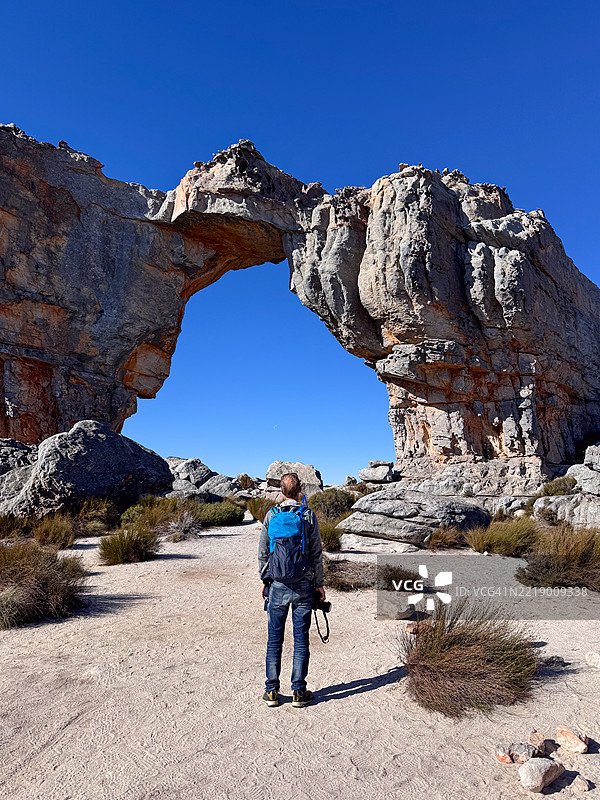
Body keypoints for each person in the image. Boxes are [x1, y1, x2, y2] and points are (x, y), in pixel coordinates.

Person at [258, 472, 325, 708]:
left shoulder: (271, 515)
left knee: (274, 640)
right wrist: (319, 584)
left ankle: (271, 692)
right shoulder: (307, 515)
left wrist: (265, 579)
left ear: (281, 491)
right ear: (300, 490)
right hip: (304, 584)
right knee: (301, 639)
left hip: (277, 585)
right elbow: (316, 554)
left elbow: (263, 552)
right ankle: (298, 691)